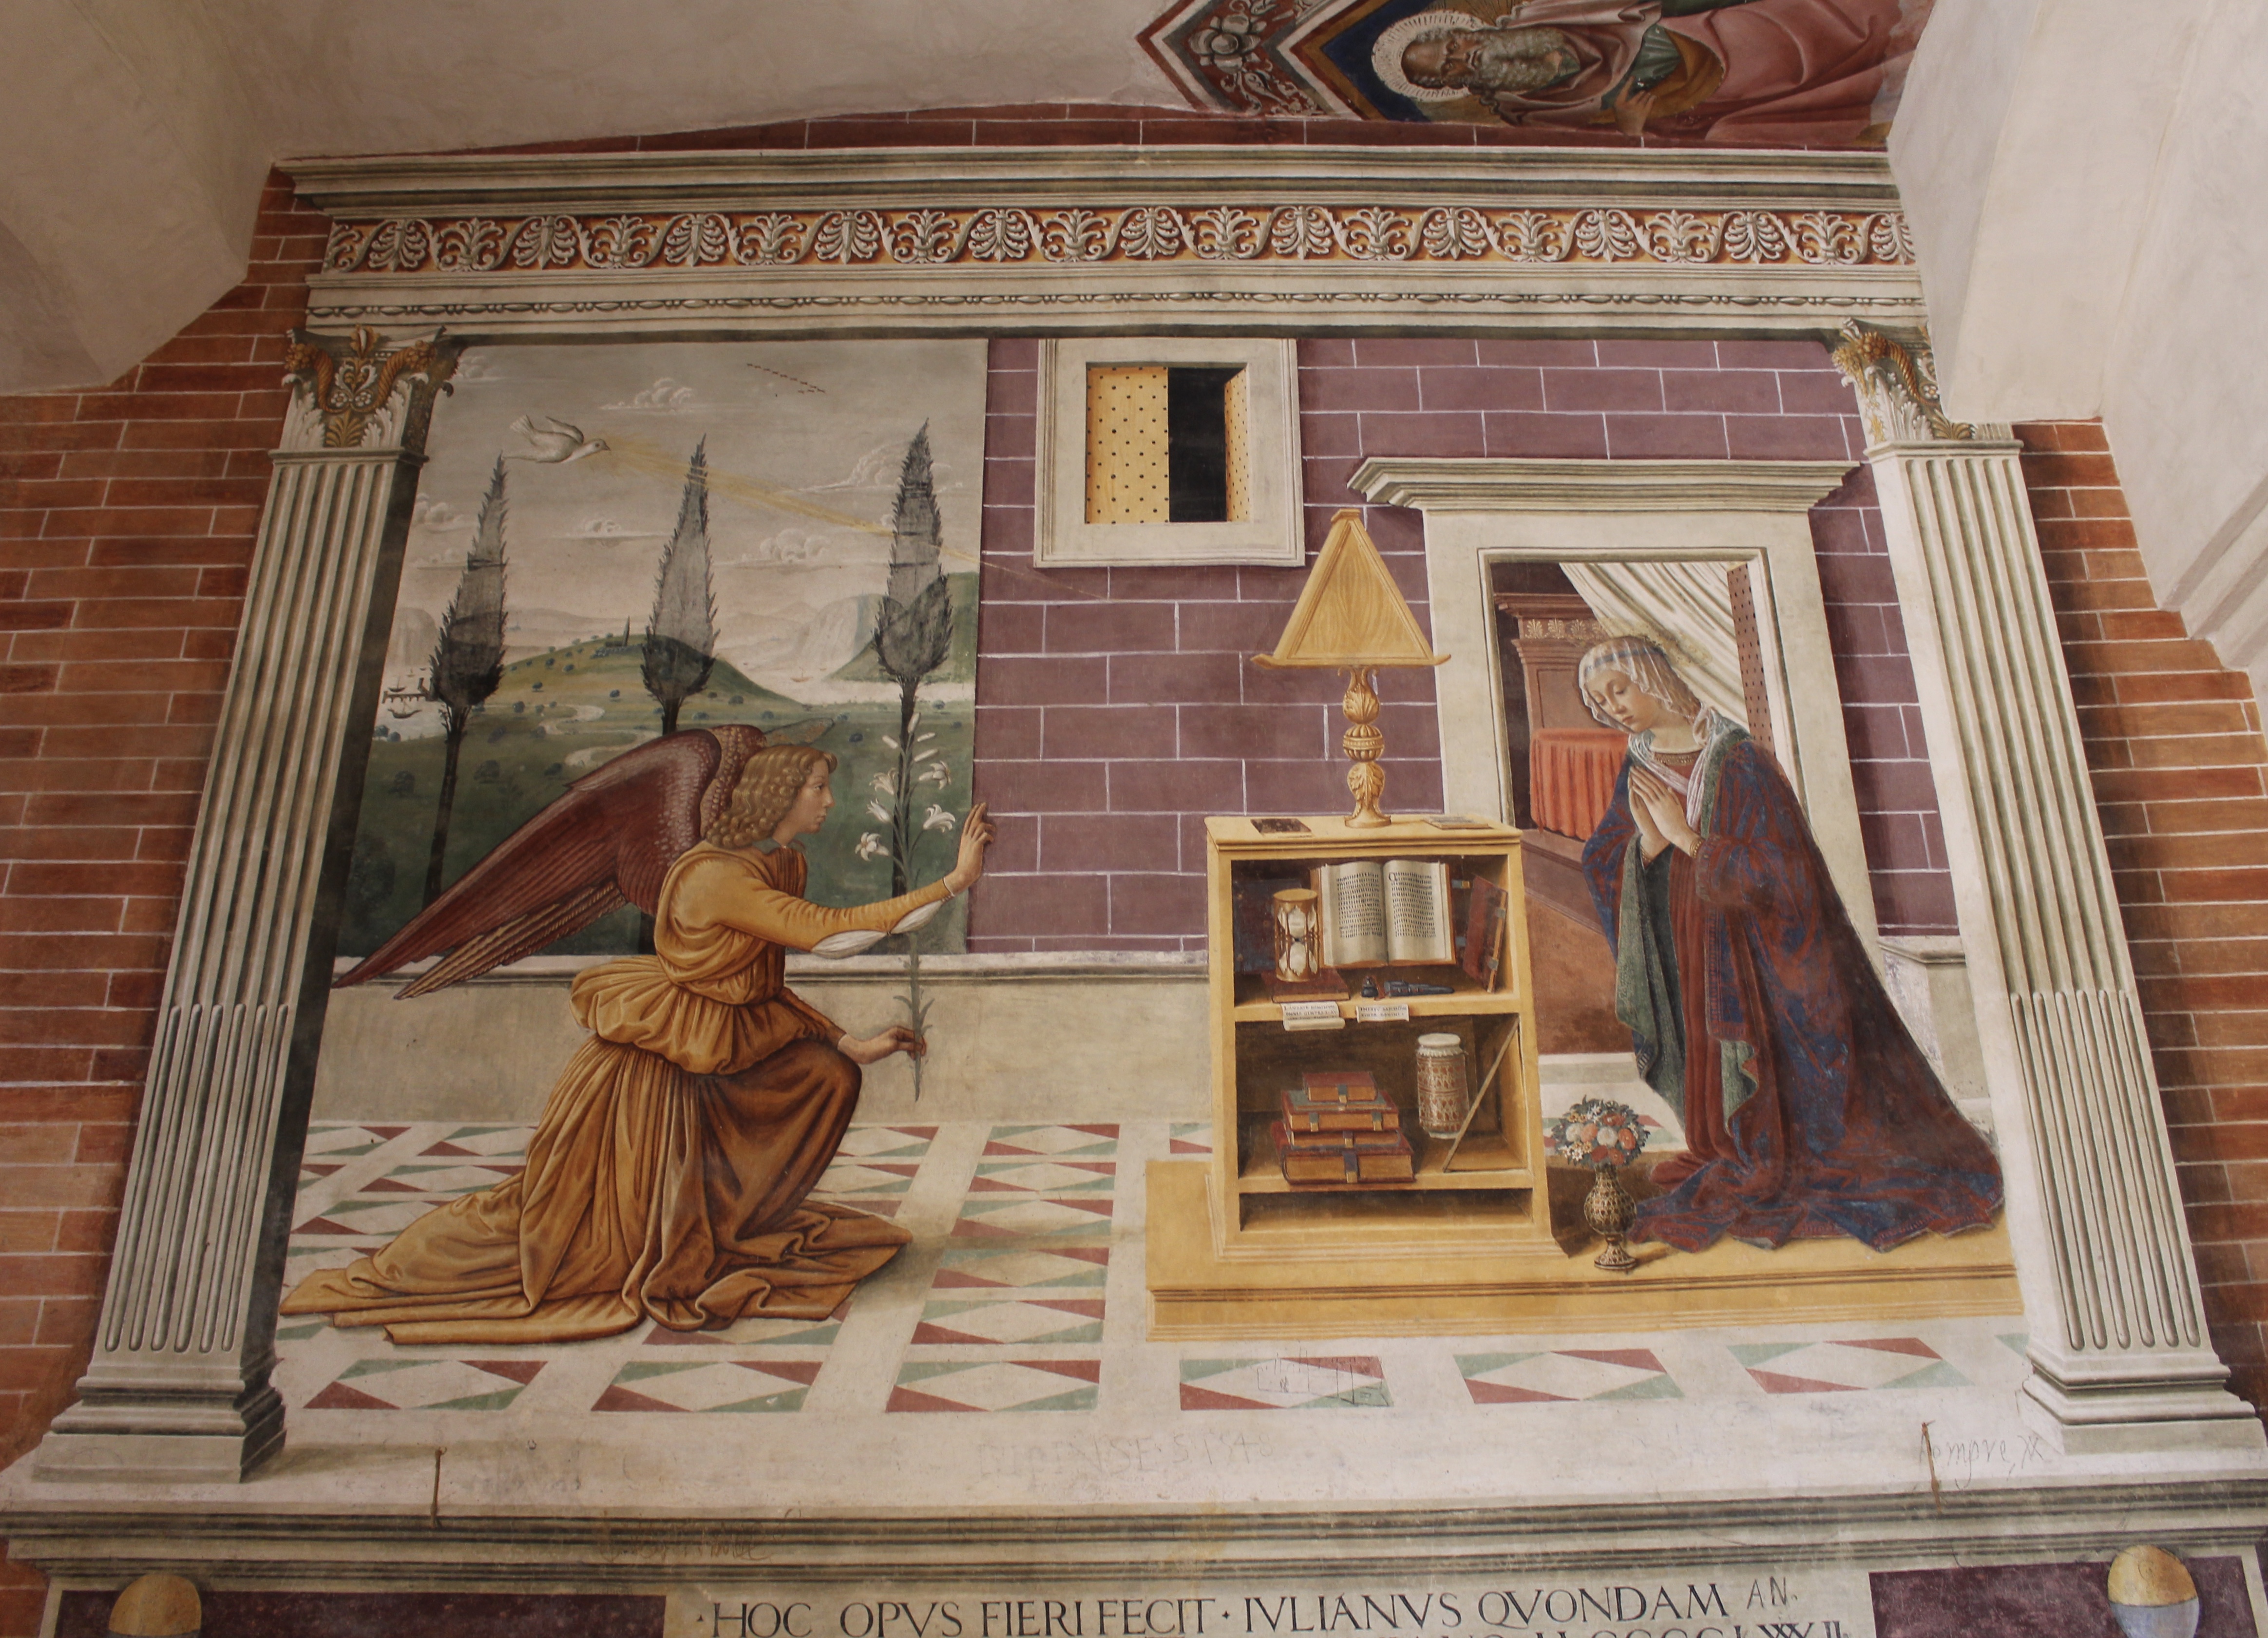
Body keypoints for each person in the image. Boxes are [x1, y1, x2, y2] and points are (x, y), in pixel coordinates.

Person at [283, 744, 994, 1344]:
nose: (828, 801)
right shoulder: (717, 875)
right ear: (779, 795)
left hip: (720, 1040)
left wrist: (847, 1041)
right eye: (816, 788)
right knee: (553, 1229)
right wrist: (952, 883)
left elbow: (759, 983)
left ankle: (722, 1227)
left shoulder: (779, 863)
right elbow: (828, 935)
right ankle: (403, 1267)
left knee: (825, 1073)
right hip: (656, 1066)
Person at [1576, 635, 2001, 1252]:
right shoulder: (1638, 762)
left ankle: (1763, 1148)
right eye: (1598, 701)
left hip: (1753, 952)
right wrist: (1647, 845)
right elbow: (1603, 856)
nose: (1611, 707)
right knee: (1704, 1050)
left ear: (1653, 678)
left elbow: (1784, 876)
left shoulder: (1738, 759)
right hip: (1686, 938)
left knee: (1768, 1073)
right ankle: (1727, 1145)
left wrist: (1688, 839)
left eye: (1617, 689)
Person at [1397, 0, 1910, 146]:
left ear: (1461, 30)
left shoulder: (1534, 14)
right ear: (1452, 87)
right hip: (1692, 103)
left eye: (1452, 47)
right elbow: (1607, 146)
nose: (1462, 59)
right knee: (1798, 90)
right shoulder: (1522, 112)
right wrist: (1630, 128)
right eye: (1448, 70)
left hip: (1696, 38)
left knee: (1815, 35)